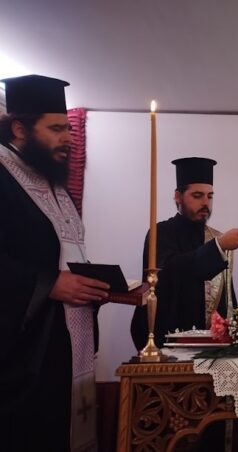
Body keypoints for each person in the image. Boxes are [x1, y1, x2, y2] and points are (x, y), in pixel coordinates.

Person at [0, 75, 110, 451]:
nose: (68, 138)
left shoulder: (56, 187)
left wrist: (98, 287)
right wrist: (48, 284)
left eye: (69, 128)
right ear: (20, 128)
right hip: (21, 357)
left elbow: (63, 256)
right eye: (56, 129)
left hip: (62, 350)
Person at [131, 157, 238, 349]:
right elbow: (170, 271)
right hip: (169, 340)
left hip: (212, 345)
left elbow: (226, 299)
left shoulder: (216, 237)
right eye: (197, 196)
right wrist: (218, 246)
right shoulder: (160, 233)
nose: (205, 203)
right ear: (178, 196)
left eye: (210, 196)